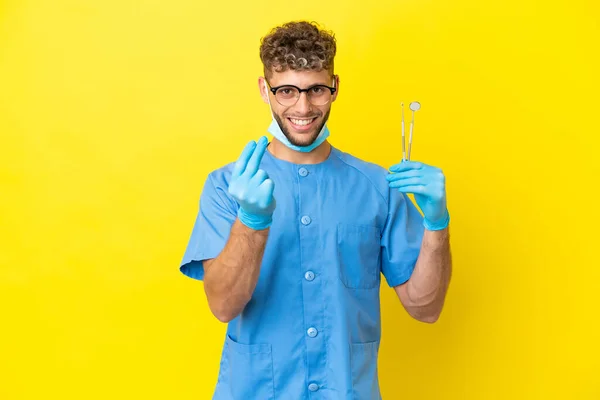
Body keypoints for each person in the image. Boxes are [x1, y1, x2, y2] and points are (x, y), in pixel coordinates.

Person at [179, 20, 452, 400]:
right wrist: (251, 222)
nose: (303, 107)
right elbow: (223, 305)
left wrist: (436, 224)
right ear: (264, 89)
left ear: (335, 87)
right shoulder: (227, 186)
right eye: (287, 90)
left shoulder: (376, 187)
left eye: (316, 90)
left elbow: (426, 308)